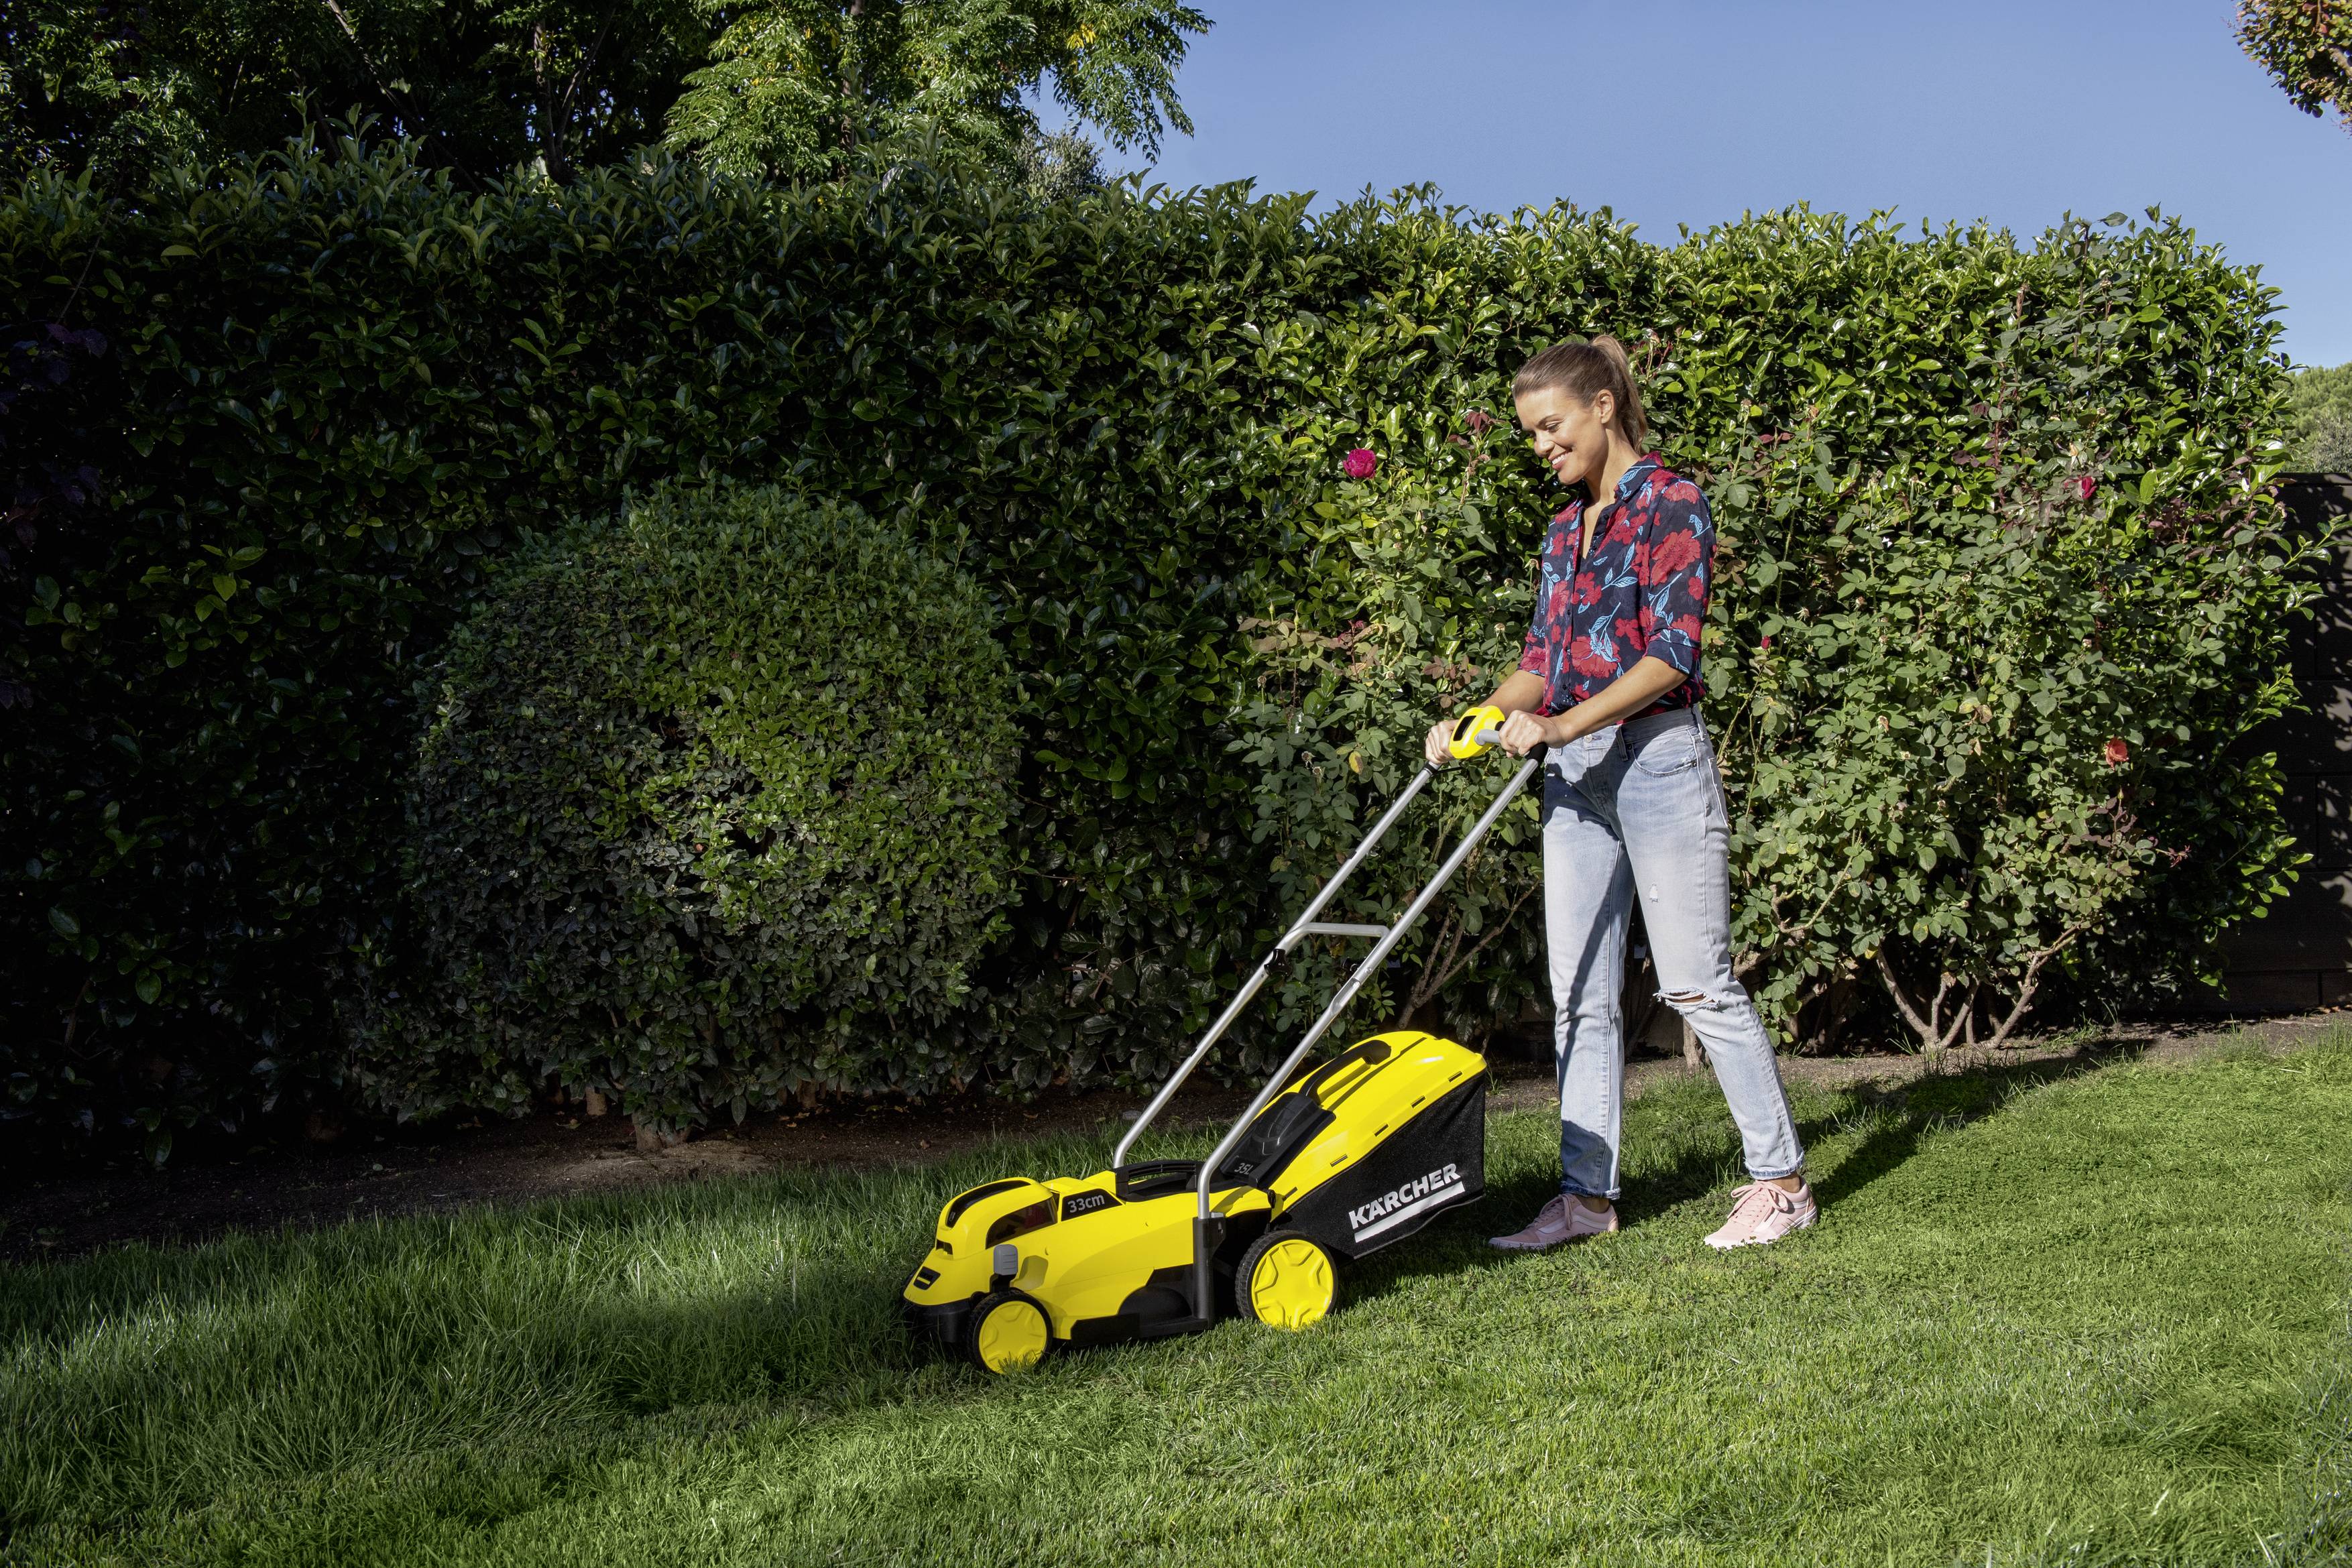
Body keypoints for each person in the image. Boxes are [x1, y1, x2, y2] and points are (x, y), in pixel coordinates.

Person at [1423, 337, 1816, 1252]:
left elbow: (1671, 653)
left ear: (1603, 404)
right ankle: (1585, 1199)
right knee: (1579, 993)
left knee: (1695, 982)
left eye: (1550, 427)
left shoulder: (1673, 504)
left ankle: (1783, 1184)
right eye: (1529, 435)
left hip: (1656, 762)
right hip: (1575, 779)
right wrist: (1477, 719)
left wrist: (1564, 723)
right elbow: (1540, 667)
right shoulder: (1567, 531)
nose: (1541, 448)